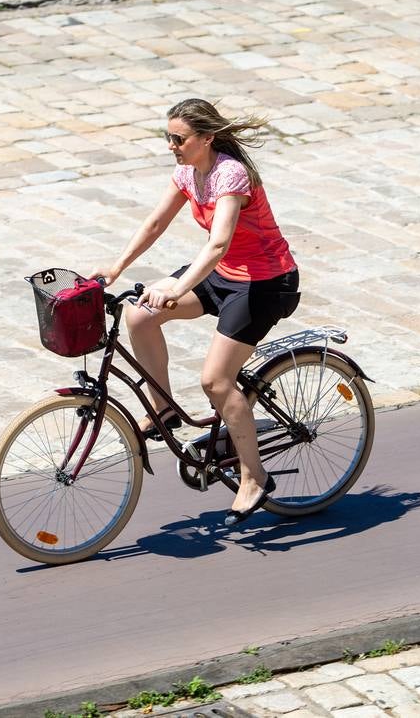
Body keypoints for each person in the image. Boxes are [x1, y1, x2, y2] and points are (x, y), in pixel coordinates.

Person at [91, 98, 300, 527]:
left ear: (206, 139)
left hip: (263, 282)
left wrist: (178, 288)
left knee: (215, 381)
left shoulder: (231, 174)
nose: (171, 145)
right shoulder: (188, 171)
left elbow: (219, 241)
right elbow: (154, 224)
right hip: (222, 274)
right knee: (139, 315)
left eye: (179, 138)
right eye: (168, 137)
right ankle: (164, 408)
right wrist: (115, 268)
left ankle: (254, 477)